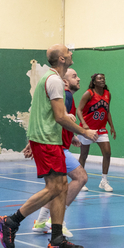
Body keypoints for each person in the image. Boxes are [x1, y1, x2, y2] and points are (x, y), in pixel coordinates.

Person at [0, 45, 99, 248]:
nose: (72, 54)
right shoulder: (53, 81)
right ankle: (11, 221)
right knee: (54, 188)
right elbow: (60, 117)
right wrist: (84, 133)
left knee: (61, 187)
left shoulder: (52, 80)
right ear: (61, 59)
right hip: (46, 141)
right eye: (68, 52)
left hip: (47, 140)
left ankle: (57, 240)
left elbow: (41, 113)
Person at [29, 68, 89, 238]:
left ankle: (41, 222)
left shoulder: (67, 95)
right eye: (74, 76)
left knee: (56, 187)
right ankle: (57, 222)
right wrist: (83, 133)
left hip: (58, 144)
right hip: (55, 147)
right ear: (64, 81)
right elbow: (60, 119)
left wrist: (72, 136)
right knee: (80, 178)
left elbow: (61, 119)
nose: (78, 79)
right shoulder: (66, 95)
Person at [77, 73, 116, 192]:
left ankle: (104, 181)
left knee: (107, 153)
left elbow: (107, 111)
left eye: (103, 78)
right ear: (94, 81)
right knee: (84, 155)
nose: (102, 80)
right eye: (99, 78)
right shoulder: (89, 93)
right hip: (88, 129)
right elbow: (79, 110)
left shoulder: (107, 94)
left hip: (101, 128)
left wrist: (112, 127)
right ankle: (80, 181)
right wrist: (83, 124)